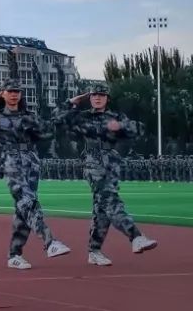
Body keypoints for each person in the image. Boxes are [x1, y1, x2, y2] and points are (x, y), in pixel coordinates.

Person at [0, 80, 70, 270]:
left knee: (23, 208)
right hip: (10, 160)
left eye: (17, 91)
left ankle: (14, 255)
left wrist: (65, 109)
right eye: (10, 91)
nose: (14, 94)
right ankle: (50, 241)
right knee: (27, 201)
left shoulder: (28, 116)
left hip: (31, 161)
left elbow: (47, 130)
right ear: (3, 94)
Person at [56, 85, 158, 266]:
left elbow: (140, 128)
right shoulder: (82, 116)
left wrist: (121, 125)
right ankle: (135, 236)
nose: (97, 98)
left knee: (102, 209)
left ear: (107, 98)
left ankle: (94, 251)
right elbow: (57, 118)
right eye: (94, 95)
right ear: (89, 98)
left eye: (101, 95)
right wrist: (71, 102)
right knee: (110, 200)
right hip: (92, 162)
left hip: (112, 162)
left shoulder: (116, 116)